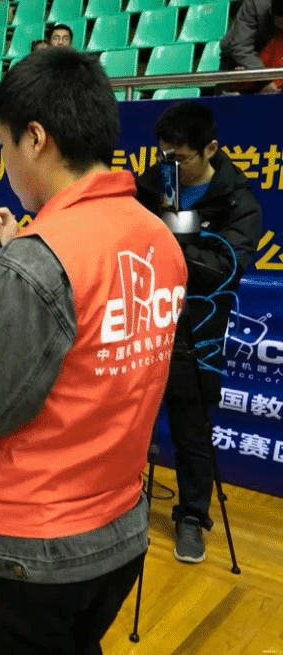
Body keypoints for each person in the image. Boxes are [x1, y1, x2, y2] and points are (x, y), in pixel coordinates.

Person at [0, 48, 187, 652]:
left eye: (4, 145)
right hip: (117, 529)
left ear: (35, 139)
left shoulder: (39, 263)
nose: (5, 161)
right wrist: (22, 250)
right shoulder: (157, 236)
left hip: (27, 549)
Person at [136, 102, 262, 563]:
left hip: (199, 333)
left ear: (210, 149)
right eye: (163, 155)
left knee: (192, 433)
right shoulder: (150, 186)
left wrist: (168, 246)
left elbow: (227, 268)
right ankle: (127, 504)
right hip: (143, 328)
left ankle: (192, 517)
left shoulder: (236, 201)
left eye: (180, 157)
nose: (170, 165)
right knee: (134, 426)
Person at [219, 0, 283, 93]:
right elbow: (240, 46)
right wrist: (264, 81)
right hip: (238, 62)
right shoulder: (255, 3)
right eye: (280, 23)